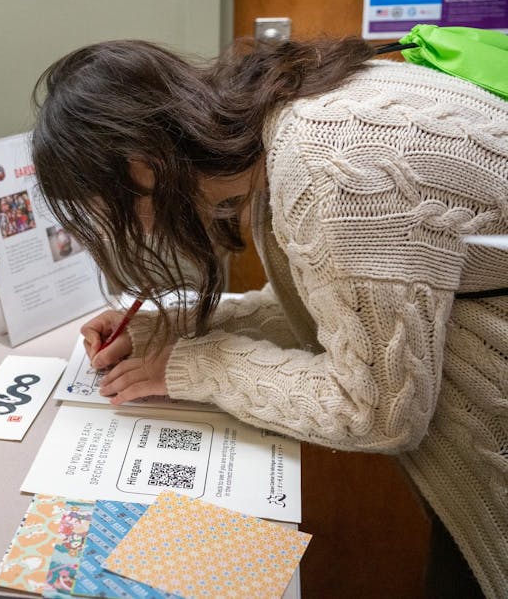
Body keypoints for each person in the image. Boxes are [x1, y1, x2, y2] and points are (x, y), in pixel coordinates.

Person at [30, 37, 508, 598]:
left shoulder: (328, 171)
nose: (131, 231)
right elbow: (348, 313)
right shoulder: (282, 125)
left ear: (141, 167)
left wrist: (200, 365)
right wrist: (173, 328)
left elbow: (378, 410)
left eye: (103, 210)